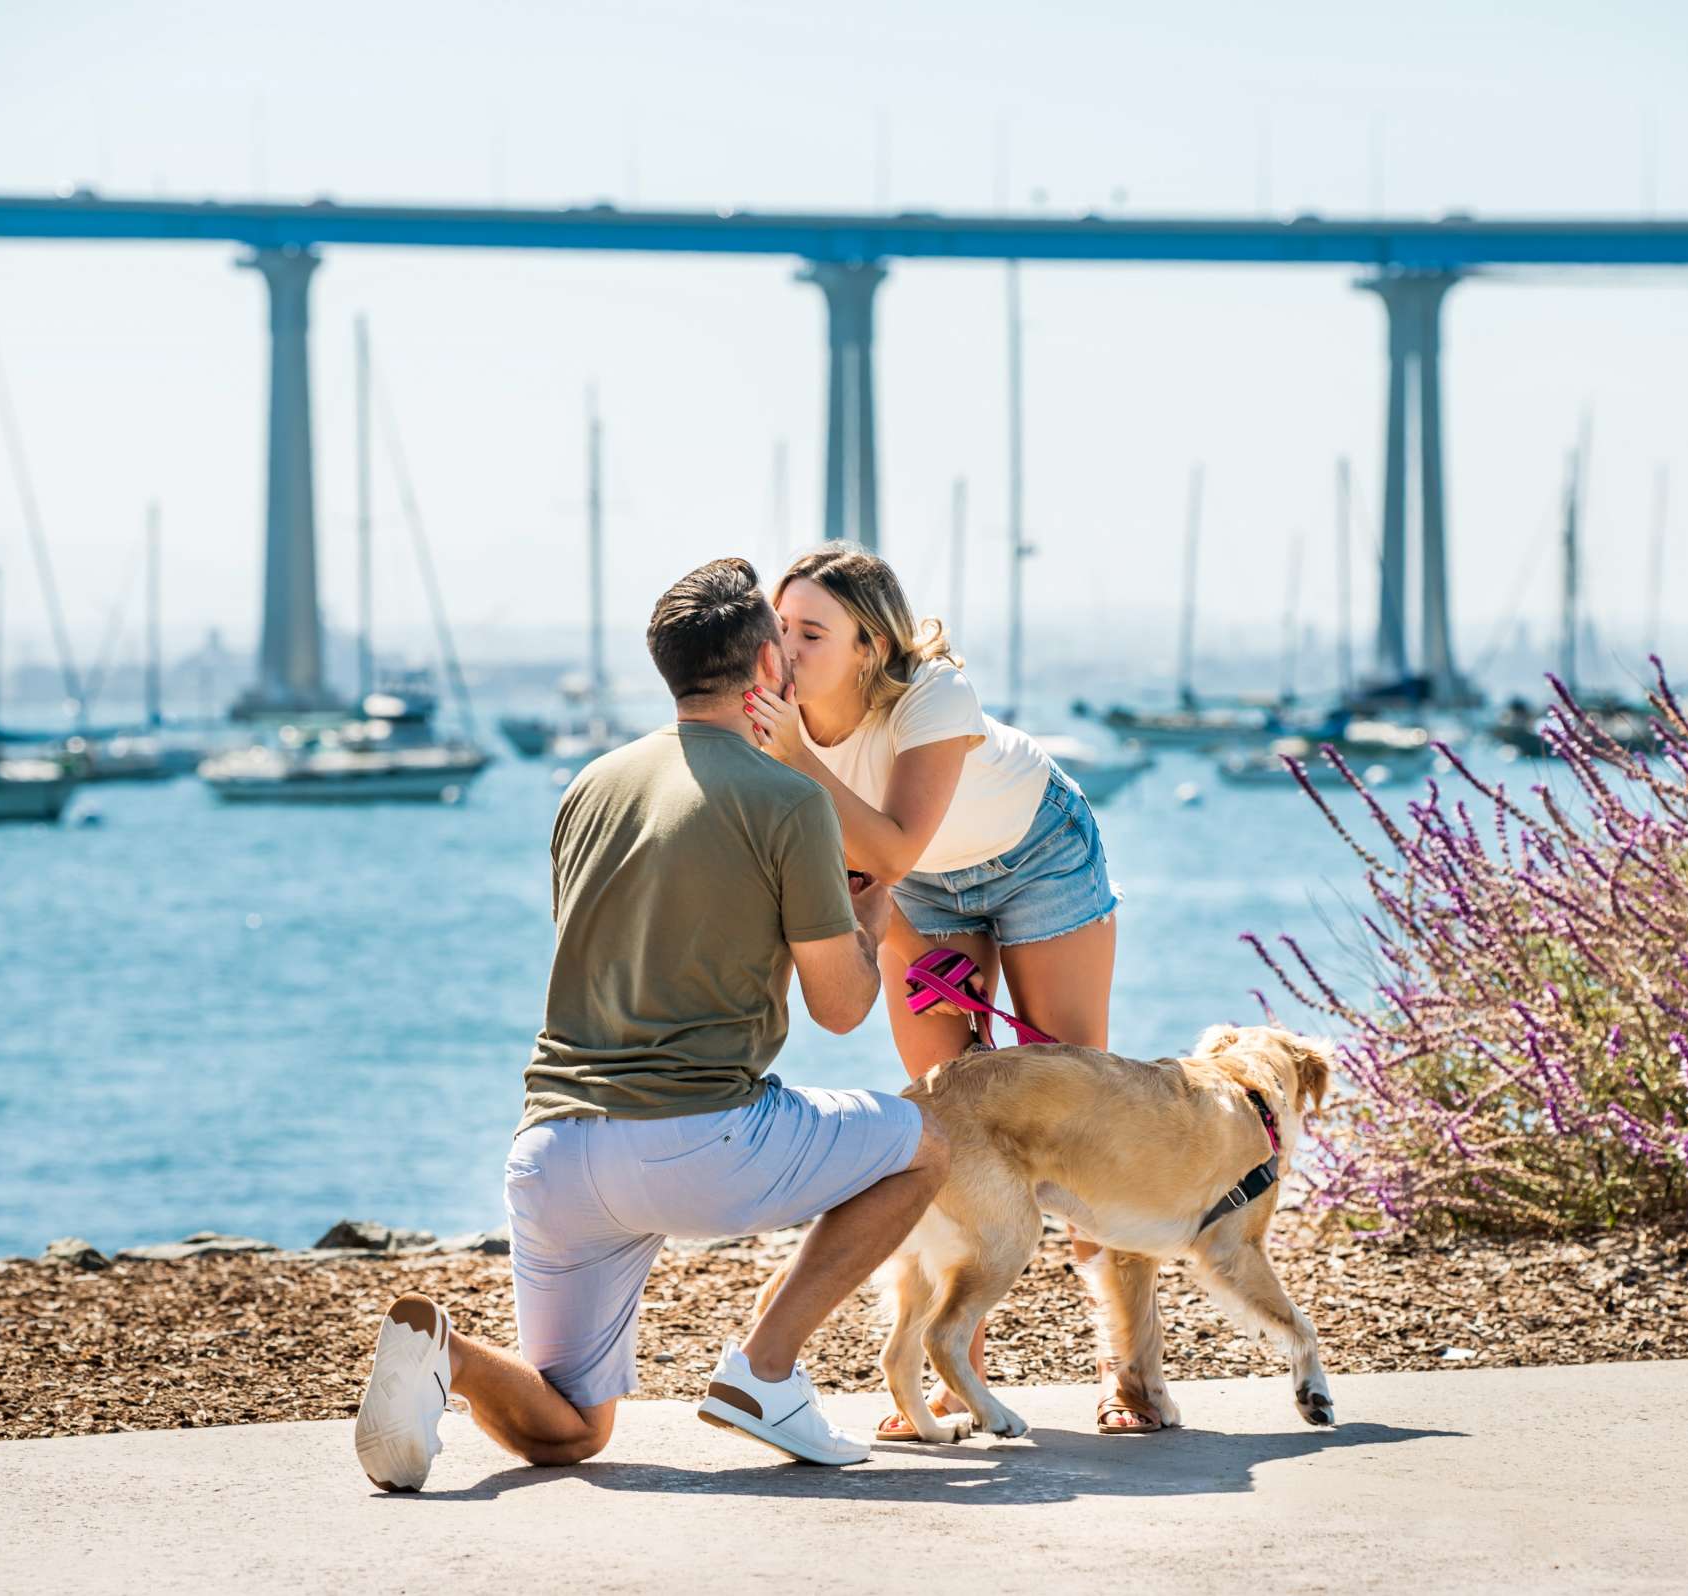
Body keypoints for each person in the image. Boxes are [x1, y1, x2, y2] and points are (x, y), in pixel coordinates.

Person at [353, 557, 949, 1487]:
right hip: (696, 1144)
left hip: (552, 1155)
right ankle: (765, 1369)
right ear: (765, 666)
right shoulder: (790, 799)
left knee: (574, 1431)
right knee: (928, 1147)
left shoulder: (587, 786)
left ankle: (448, 1358)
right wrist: (872, 908)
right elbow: (842, 1010)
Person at [743, 543, 1152, 1435]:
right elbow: (870, 869)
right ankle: (950, 1366)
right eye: (780, 627)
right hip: (919, 891)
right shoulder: (773, 718)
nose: (788, 647)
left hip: (1038, 854)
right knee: (945, 1120)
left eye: (813, 631)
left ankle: (1131, 1374)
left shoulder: (933, 696)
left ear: (870, 649)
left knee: (1080, 1115)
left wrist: (792, 757)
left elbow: (886, 840)